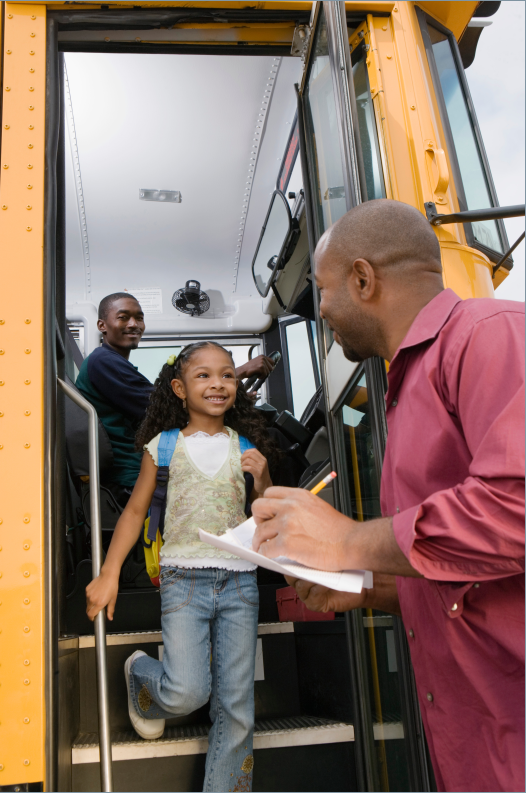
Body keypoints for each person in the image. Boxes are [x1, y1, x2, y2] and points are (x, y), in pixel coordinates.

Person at [251, 199, 525, 793]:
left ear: (362, 279)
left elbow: (516, 511)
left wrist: (349, 538)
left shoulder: (492, 335)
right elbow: (466, 573)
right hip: (474, 738)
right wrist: (363, 584)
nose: (322, 312)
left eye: (321, 292)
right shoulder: (402, 393)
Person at [85, 341, 280, 792]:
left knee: (236, 706)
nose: (217, 384)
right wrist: (109, 572)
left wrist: (263, 478)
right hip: (183, 580)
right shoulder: (164, 446)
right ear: (179, 387)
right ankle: (141, 675)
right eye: (204, 376)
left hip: (240, 583)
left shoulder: (246, 446)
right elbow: (134, 512)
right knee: (186, 691)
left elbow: (266, 512)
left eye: (227, 375)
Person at [76, 292, 275, 503]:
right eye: (123, 317)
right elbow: (165, 405)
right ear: (102, 325)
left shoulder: (112, 362)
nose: (134, 324)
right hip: (127, 473)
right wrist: (238, 372)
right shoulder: (103, 361)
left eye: (139, 318)